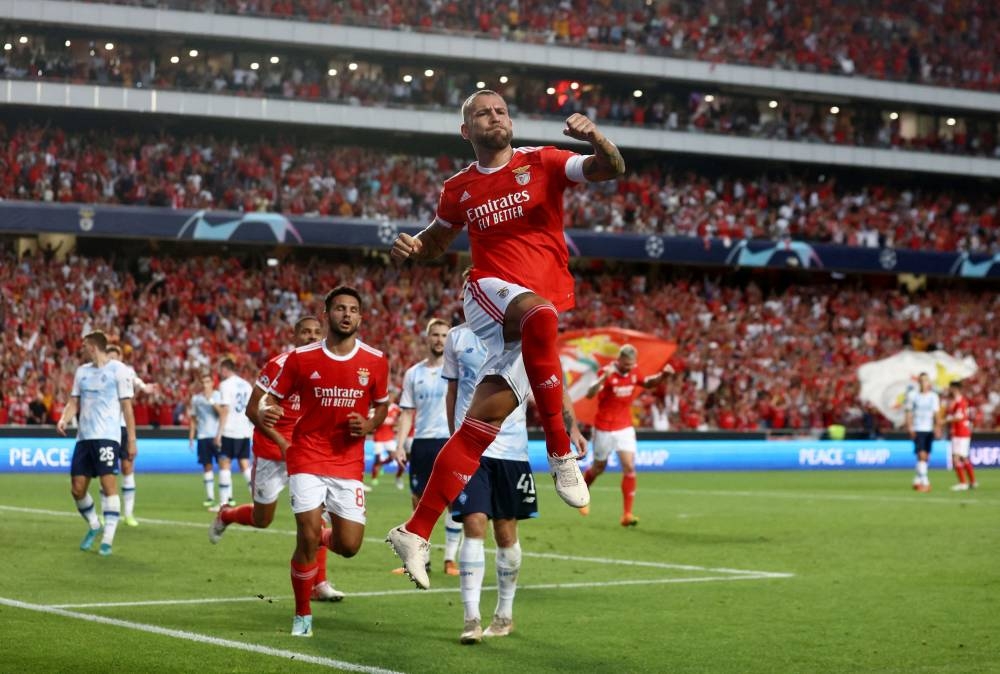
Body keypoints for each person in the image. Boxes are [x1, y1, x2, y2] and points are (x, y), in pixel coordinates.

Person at [387, 89, 625, 589]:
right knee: (540, 315)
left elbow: (610, 169)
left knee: (480, 426)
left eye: (500, 111)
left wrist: (597, 138)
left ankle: (415, 530)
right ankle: (561, 455)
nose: (494, 117)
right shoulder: (459, 187)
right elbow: (436, 240)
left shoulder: (544, 161)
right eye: (482, 113)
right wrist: (414, 247)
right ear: (465, 131)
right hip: (488, 292)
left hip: (532, 313)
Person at [258, 286, 389, 637]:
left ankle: (319, 539)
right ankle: (302, 613)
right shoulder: (301, 358)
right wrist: (268, 411)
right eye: (340, 308)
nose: (347, 314)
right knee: (307, 534)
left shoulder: (376, 360)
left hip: (348, 461)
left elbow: (382, 406)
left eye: (354, 310)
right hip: (307, 455)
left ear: (361, 317)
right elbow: (271, 400)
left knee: (349, 546)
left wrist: (370, 425)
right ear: (328, 313)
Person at [208, 316, 344, 602]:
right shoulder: (278, 365)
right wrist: (282, 442)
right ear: (295, 335)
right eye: (305, 331)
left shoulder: (328, 367)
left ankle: (319, 584)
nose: (311, 336)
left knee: (315, 517)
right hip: (272, 452)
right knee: (262, 518)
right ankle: (226, 514)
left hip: (306, 454)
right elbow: (251, 410)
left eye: (316, 332)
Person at [444, 317, 534, 644]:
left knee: (506, 531)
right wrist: (451, 436)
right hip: (471, 446)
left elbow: (551, 382)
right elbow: (452, 391)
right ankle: (471, 617)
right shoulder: (455, 338)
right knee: (474, 523)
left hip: (511, 450)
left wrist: (571, 430)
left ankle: (504, 614)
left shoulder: (523, 334)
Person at [392, 318, 462, 577]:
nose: (439, 339)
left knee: (454, 501)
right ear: (427, 337)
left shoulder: (457, 370)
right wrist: (400, 445)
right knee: (419, 502)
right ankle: (423, 559)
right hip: (421, 443)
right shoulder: (414, 373)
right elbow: (407, 413)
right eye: (435, 334)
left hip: (449, 440)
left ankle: (450, 559)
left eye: (444, 335)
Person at [56, 330, 136, 556]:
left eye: (84, 346)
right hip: (84, 438)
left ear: (93, 347)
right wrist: (64, 418)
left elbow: (127, 409)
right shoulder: (81, 372)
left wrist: (131, 439)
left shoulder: (118, 370)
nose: (81, 349)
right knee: (77, 489)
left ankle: (108, 539)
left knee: (108, 485)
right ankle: (94, 524)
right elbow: (73, 401)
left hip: (108, 437)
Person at [582, 345, 674, 526]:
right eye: (626, 364)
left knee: (629, 466)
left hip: (624, 426)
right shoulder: (607, 372)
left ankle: (627, 514)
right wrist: (603, 378)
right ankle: (582, 493)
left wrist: (664, 376)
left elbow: (647, 383)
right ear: (619, 360)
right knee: (599, 467)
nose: (629, 367)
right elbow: (589, 393)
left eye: (632, 364)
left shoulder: (634, 372)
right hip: (604, 428)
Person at [105, 343, 157, 527]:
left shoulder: (126, 371)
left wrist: (145, 388)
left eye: (115, 357)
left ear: (120, 359)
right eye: (109, 357)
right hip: (106, 429)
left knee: (127, 468)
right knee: (107, 473)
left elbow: (138, 382)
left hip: (123, 428)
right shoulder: (100, 374)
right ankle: (107, 513)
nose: (112, 360)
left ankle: (128, 514)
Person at [215, 356, 254, 510]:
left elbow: (225, 410)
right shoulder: (246, 385)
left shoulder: (225, 385)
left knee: (224, 463)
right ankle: (257, 500)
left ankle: (224, 503)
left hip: (230, 430)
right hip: (244, 430)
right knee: (245, 464)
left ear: (225, 369)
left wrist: (219, 433)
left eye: (221, 370)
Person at [188, 371, 223, 507]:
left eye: (208, 382)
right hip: (202, 436)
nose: (205, 385)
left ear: (212, 383)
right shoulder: (196, 399)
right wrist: (191, 437)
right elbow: (193, 419)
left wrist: (211, 401)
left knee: (222, 465)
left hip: (217, 435)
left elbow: (221, 414)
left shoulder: (218, 396)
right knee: (207, 466)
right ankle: (210, 497)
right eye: (203, 382)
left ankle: (226, 496)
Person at [905, 372, 941, 493]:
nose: (923, 382)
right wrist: (910, 427)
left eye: (925, 380)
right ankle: (925, 482)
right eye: (921, 380)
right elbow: (909, 412)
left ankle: (917, 479)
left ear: (929, 382)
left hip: (929, 429)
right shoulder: (913, 395)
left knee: (926, 456)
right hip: (918, 428)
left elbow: (936, 413)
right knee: (921, 455)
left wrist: (938, 427)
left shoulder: (933, 396)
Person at [944, 380, 977, 491]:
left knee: (956, 458)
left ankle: (963, 483)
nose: (949, 390)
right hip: (961, 432)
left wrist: (946, 420)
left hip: (960, 433)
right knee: (963, 458)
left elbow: (959, 417)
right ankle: (972, 481)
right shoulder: (959, 401)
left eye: (951, 388)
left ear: (955, 389)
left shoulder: (960, 401)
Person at [369, 389, 404, 489]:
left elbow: (402, 419)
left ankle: (382, 465)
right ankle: (374, 478)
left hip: (389, 438)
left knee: (394, 457)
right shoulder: (378, 409)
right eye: (389, 397)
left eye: (392, 397)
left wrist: (397, 426)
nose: (390, 399)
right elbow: (372, 421)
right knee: (377, 460)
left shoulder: (396, 409)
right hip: (378, 438)